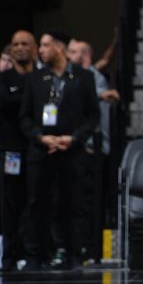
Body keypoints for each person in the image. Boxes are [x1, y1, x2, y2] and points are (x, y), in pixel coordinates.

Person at [19, 31, 99, 270]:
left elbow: (93, 115)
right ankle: (37, 255)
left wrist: (73, 138)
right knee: (37, 203)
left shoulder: (83, 77)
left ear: (58, 48)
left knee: (74, 203)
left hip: (71, 150)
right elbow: (24, 117)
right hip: (41, 150)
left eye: (45, 45)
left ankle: (75, 254)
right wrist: (41, 137)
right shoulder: (36, 78)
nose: (40, 50)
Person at [0, 31, 37, 270]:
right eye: (15, 44)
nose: (20, 48)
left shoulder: (40, 78)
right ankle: (10, 255)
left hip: (37, 148)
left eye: (25, 43)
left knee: (34, 201)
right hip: (11, 150)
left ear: (33, 47)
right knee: (10, 201)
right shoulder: (4, 79)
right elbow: (9, 105)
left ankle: (32, 253)